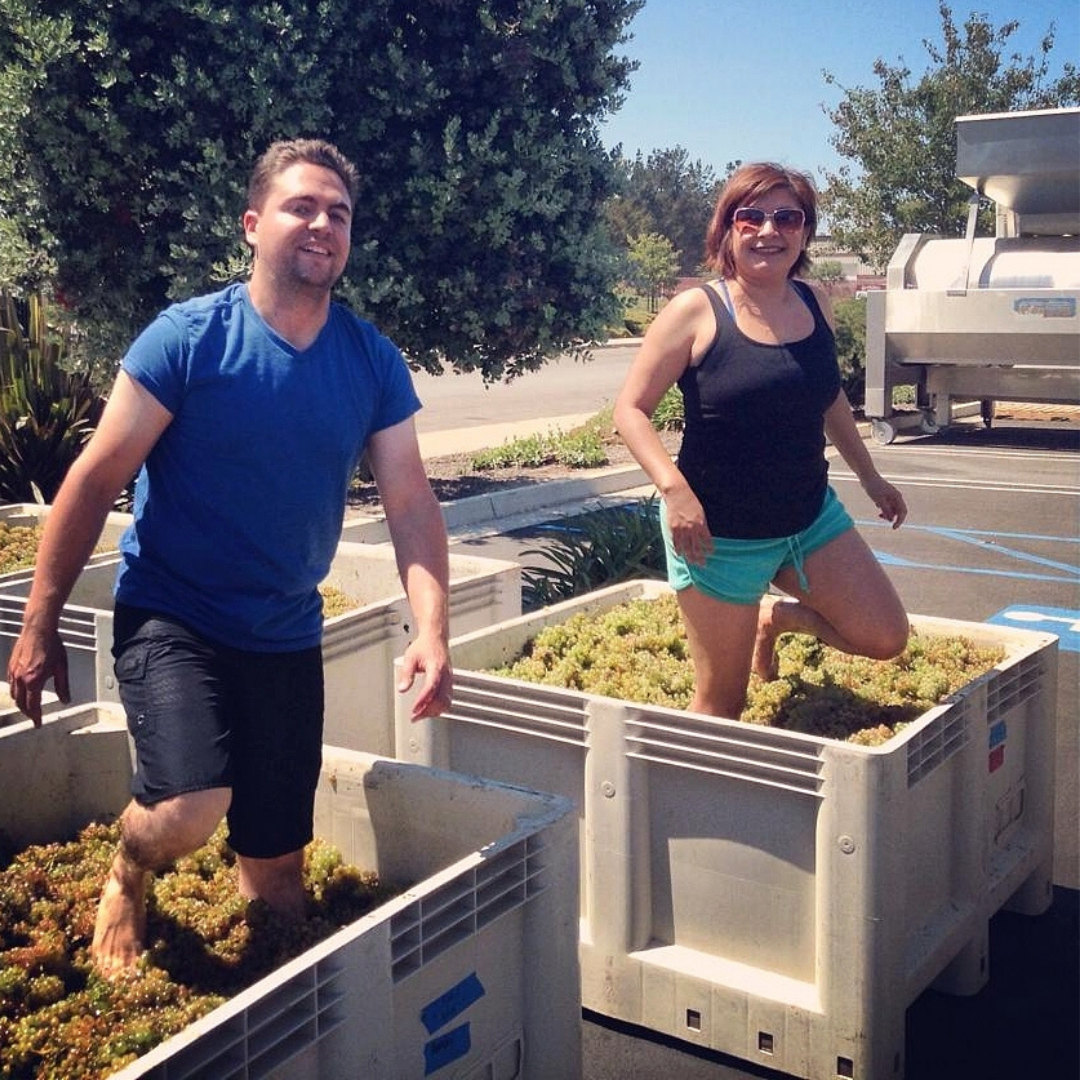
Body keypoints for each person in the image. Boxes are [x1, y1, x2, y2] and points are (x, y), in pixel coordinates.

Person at [6, 138, 453, 976]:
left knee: (279, 879)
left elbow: (411, 504)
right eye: (300, 207)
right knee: (187, 808)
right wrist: (39, 622)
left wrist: (432, 629)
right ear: (252, 225)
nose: (322, 224)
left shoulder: (370, 360)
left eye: (338, 213)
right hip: (173, 614)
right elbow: (94, 479)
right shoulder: (188, 339)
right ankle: (129, 869)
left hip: (284, 632)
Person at [613, 162, 909, 721]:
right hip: (718, 537)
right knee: (721, 707)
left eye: (787, 218)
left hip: (809, 521)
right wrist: (674, 491)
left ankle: (776, 619)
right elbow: (630, 410)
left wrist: (871, 478)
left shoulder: (814, 302)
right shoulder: (697, 310)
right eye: (751, 217)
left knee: (886, 637)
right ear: (728, 229)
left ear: (804, 232)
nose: (768, 230)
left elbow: (828, 398)